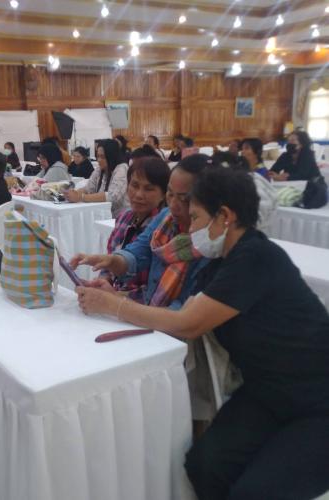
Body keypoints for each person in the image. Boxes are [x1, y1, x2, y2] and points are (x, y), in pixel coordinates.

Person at [75, 166, 329, 500]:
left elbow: (188, 323)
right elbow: (177, 311)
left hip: (317, 399)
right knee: (203, 466)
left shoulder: (256, 257)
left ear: (224, 216)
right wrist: (114, 296)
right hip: (266, 392)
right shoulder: (219, 263)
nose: (190, 228)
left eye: (195, 217)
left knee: (254, 492)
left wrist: (114, 306)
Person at [70, 154, 212, 306]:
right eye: (170, 194)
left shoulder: (207, 242)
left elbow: (183, 313)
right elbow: (136, 253)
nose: (173, 205)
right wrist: (109, 263)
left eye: (184, 199)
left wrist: (115, 302)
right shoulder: (162, 220)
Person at [99, 157, 170, 302]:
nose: (138, 195)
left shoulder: (164, 229)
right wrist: (103, 281)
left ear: (164, 194)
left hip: (141, 307)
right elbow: (109, 262)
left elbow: (158, 290)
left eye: (149, 189)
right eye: (134, 185)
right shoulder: (124, 218)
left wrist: (116, 297)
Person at [65, 139, 129, 218]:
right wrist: (73, 194)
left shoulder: (122, 169)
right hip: (102, 215)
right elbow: (88, 188)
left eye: (102, 157)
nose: (99, 160)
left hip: (120, 217)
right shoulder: (100, 169)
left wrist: (81, 197)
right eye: (98, 156)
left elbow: (112, 196)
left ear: (111, 156)